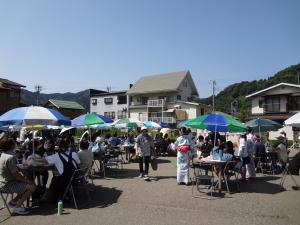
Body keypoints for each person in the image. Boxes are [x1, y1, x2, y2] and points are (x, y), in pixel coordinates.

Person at [0, 133, 36, 215]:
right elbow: (16, 174)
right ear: (11, 146)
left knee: (27, 184)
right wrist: (26, 180)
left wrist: (24, 178)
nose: (15, 144)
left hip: (3, 183)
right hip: (8, 185)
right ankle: (17, 207)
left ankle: (13, 202)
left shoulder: (3, 155)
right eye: (14, 143)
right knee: (32, 186)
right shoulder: (10, 157)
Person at [37, 137, 80, 202]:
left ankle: (47, 197)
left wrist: (33, 159)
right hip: (74, 180)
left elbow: (44, 161)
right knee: (56, 176)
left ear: (59, 147)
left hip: (63, 182)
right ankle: (63, 194)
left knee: (54, 179)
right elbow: (78, 163)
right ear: (67, 146)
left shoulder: (56, 156)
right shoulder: (74, 154)